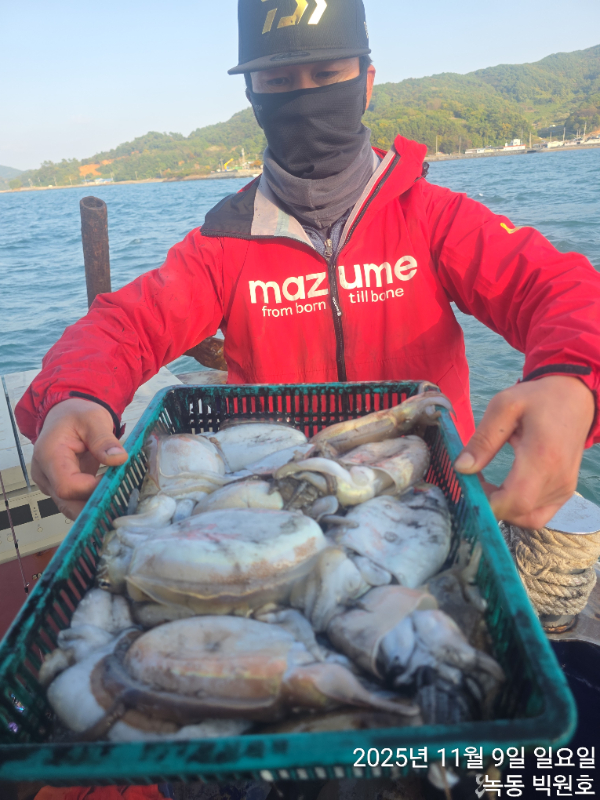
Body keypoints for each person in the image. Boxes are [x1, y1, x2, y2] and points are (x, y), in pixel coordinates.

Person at [15, 0, 599, 530]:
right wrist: (74, 395)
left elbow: (557, 288)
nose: (304, 96)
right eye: (278, 81)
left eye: (326, 75)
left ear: (366, 81)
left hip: (429, 498)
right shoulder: (223, 244)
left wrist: (572, 379)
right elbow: (124, 325)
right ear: (253, 97)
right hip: (278, 507)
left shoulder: (433, 218)